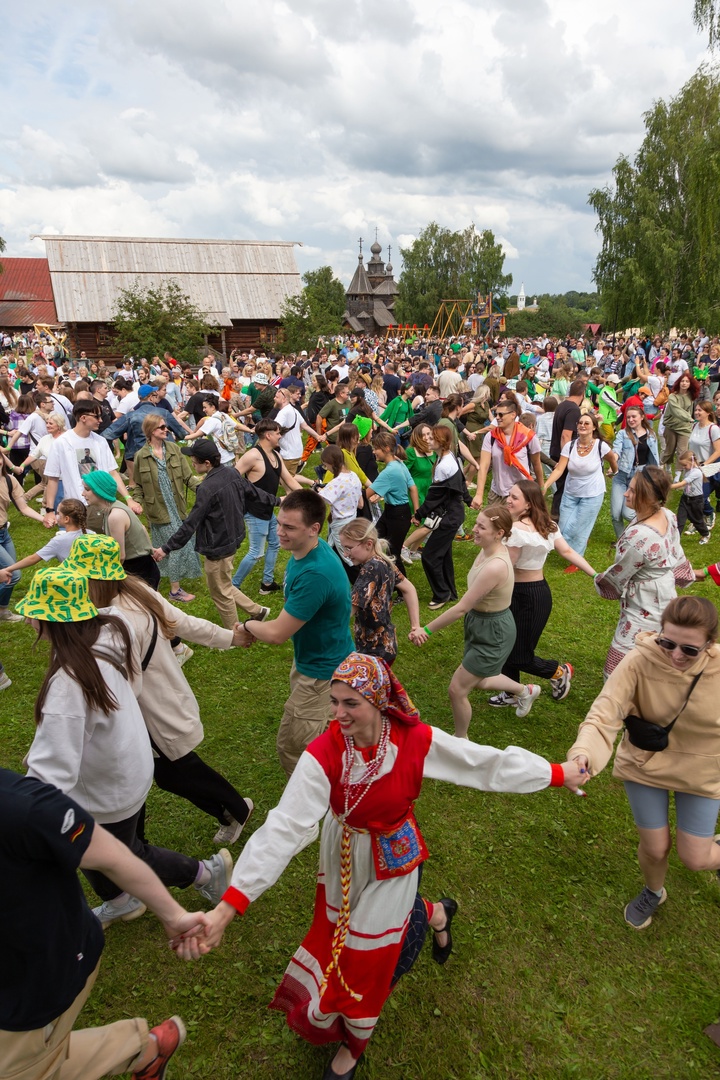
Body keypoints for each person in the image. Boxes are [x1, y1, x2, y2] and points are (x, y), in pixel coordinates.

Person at [173, 653, 585, 1078]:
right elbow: (284, 827)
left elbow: (481, 763)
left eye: (350, 703)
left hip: (397, 857)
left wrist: (557, 773)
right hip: (345, 853)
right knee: (341, 935)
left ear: (378, 700)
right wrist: (229, 907)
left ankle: (352, 1047)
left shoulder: (413, 740)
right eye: (334, 702)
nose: (338, 713)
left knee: (363, 957)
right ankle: (435, 913)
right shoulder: (325, 753)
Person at [18, 566, 233, 926]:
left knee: (122, 854)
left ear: (54, 621)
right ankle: (120, 901)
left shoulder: (67, 686)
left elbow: (49, 774)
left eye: (35, 612)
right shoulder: (110, 628)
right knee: (97, 849)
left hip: (108, 788)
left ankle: (206, 874)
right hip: (128, 765)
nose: (27, 619)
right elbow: (113, 612)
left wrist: (19, 815)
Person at [0, 767, 205, 1080]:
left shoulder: (19, 807)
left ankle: (144, 1049)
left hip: (38, 976)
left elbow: (109, 854)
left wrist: (174, 915)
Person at [66, 534, 255, 847]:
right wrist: (229, 638)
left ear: (94, 579)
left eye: (81, 576)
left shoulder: (117, 619)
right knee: (167, 770)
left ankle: (234, 809)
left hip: (149, 709)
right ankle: (229, 811)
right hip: (157, 702)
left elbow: (127, 684)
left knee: (170, 770)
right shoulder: (133, 589)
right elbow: (183, 622)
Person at [566, 595, 720, 929]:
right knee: (655, 848)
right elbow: (604, 713)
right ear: (659, 633)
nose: (676, 655)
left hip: (702, 771)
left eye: (689, 649)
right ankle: (653, 891)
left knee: (695, 858)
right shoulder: (638, 660)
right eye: (668, 643)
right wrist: (584, 756)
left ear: (710, 644)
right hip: (645, 764)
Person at [234, 489, 354, 778]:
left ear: (314, 529)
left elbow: (276, 634)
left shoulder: (316, 573)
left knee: (294, 746)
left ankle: (309, 806)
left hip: (321, 674)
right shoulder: (308, 550)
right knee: (324, 734)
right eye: (279, 523)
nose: (279, 532)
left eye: (289, 527)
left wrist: (248, 626)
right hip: (315, 659)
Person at [409, 507, 541, 736]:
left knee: (457, 689)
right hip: (480, 623)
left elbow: (460, 608)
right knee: (479, 679)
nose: (474, 530)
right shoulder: (484, 551)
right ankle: (525, 690)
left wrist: (426, 630)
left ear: (499, 533)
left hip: (494, 631)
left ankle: (461, 740)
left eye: (481, 526)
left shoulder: (496, 565)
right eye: (476, 523)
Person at [490, 481, 596, 707]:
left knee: (519, 655)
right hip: (518, 593)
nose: (508, 500)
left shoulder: (520, 530)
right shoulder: (545, 525)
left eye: (514, 497)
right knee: (507, 644)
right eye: (509, 495)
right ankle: (511, 692)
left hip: (532, 597)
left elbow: (508, 566)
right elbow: (566, 551)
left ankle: (558, 672)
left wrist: (595, 575)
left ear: (528, 504)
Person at [151, 439, 276, 629]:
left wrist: (166, 548)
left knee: (220, 593)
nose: (192, 464)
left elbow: (191, 523)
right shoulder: (232, 473)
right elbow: (255, 492)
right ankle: (257, 611)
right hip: (232, 541)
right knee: (223, 584)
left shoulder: (206, 488)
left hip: (218, 548)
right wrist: (278, 500)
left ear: (207, 463)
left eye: (194, 461)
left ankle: (233, 635)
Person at [595, 465, 695, 677]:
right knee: (658, 654)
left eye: (632, 490)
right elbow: (677, 552)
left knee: (620, 666)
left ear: (648, 497)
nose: (625, 493)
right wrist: (683, 574)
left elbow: (618, 576)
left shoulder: (640, 537)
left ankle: (622, 704)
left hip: (644, 605)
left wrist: (600, 580)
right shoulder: (667, 515)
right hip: (666, 595)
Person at [132, 412, 202, 602]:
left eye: (166, 426)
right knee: (176, 546)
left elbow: (188, 478)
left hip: (177, 507)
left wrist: (206, 491)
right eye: (161, 427)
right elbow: (137, 485)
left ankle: (154, 577)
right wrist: (136, 502)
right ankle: (174, 591)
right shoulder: (141, 456)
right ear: (150, 431)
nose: (166, 430)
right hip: (158, 511)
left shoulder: (173, 450)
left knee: (177, 545)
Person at [43, 400, 143, 527]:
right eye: (97, 416)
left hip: (103, 505)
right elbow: (52, 478)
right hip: (76, 507)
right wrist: (50, 510)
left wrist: (129, 499)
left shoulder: (100, 441)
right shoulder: (61, 443)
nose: (100, 420)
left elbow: (112, 473)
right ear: (83, 418)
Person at [232, 418, 305, 594]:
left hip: (269, 510)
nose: (280, 436)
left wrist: (307, 496)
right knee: (256, 552)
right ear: (268, 434)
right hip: (255, 512)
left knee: (274, 544)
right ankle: (232, 587)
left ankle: (267, 583)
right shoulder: (252, 456)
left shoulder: (276, 455)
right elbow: (232, 478)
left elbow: (288, 479)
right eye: (278, 433)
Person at [340, 518, 421, 663]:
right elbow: (409, 589)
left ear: (368, 544)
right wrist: (415, 626)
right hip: (386, 644)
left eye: (349, 548)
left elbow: (347, 611)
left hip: (372, 651)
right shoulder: (383, 562)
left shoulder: (370, 570)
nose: (346, 554)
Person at [543, 413, 617, 560]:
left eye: (587, 423)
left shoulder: (600, 446)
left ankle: (576, 559)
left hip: (592, 493)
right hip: (570, 492)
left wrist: (614, 470)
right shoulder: (570, 446)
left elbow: (612, 459)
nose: (582, 425)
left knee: (577, 529)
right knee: (563, 528)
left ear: (594, 427)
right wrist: (545, 485)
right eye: (580, 422)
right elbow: (559, 469)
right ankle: (579, 540)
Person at [413, 425, 468, 609]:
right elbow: (461, 481)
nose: (428, 439)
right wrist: (468, 499)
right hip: (454, 514)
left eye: (432, 437)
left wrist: (418, 515)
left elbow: (434, 498)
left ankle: (441, 594)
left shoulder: (444, 465)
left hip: (449, 518)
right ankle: (450, 593)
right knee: (443, 555)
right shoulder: (449, 457)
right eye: (428, 436)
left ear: (442, 442)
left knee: (429, 556)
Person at [82, 470, 160, 588]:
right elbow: (142, 528)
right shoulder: (113, 507)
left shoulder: (115, 516)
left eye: (87, 489)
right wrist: (149, 549)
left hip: (138, 571)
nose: (83, 494)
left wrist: (108, 579)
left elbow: (120, 556)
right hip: (143, 566)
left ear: (100, 491)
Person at [0, 498, 87, 588]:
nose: (56, 515)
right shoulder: (91, 533)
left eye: (58, 513)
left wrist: (8, 569)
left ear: (66, 519)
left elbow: (33, 559)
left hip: (74, 584)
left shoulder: (59, 541)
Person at [473, 399, 543, 510]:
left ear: (513, 415)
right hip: (496, 493)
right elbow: (484, 466)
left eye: (501, 414)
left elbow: (536, 463)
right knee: (493, 525)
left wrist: (541, 488)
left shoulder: (528, 436)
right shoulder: (491, 437)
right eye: (496, 414)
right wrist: (479, 494)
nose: (497, 417)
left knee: (514, 526)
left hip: (520, 494)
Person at [0, 451, 45, 622]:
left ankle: (2, 611)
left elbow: (24, 508)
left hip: (4, 533)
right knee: (13, 574)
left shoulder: (10, 481)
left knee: (7, 575)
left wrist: (44, 519)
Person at [365, 432, 419, 576]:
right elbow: (412, 488)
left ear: (387, 448)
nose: (374, 451)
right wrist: (417, 512)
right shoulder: (398, 463)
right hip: (397, 512)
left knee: (393, 554)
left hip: (397, 516)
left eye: (376, 448)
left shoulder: (388, 472)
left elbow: (366, 494)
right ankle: (378, 574)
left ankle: (402, 589)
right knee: (372, 539)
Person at [610, 405, 659, 538]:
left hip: (638, 477)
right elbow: (616, 450)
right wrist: (613, 464)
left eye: (634, 417)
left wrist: (655, 478)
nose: (631, 420)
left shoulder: (651, 436)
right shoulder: (622, 434)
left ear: (642, 417)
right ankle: (622, 540)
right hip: (621, 475)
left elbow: (654, 458)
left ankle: (641, 530)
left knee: (628, 513)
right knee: (615, 514)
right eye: (628, 417)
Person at [318, 445, 363, 564]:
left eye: (326, 465)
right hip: (352, 520)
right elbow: (361, 504)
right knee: (334, 553)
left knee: (348, 559)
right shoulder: (354, 476)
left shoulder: (337, 482)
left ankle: (361, 579)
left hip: (340, 524)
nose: (326, 469)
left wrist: (318, 490)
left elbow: (320, 499)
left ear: (331, 463)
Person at [548, 379, 584, 518]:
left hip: (555, 451)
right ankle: (557, 518)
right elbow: (566, 435)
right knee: (564, 490)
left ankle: (557, 517)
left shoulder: (562, 405)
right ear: (583, 394)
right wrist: (568, 458)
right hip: (563, 454)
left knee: (561, 487)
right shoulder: (574, 410)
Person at [402, 423, 437, 560]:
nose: (428, 437)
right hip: (415, 490)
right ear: (417, 437)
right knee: (427, 522)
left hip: (429, 489)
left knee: (428, 523)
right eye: (424, 435)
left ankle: (412, 550)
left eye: (429, 433)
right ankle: (403, 548)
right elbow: (403, 471)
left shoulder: (433, 450)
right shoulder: (411, 452)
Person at [660, 373, 698, 470]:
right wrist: (688, 418)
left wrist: (689, 421)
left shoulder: (691, 396)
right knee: (669, 451)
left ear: (690, 384)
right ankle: (666, 471)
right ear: (679, 383)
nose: (684, 383)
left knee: (682, 453)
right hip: (671, 426)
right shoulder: (672, 396)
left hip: (684, 428)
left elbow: (690, 410)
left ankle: (677, 478)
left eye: (687, 381)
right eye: (682, 381)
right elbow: (676, 410)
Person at [670, 451, 710, 541]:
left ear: (692, 462)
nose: (683, 467)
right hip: (685, 499)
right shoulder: (688, 470)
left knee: (697, 520)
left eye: (684, 465)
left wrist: (667, 487)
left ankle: (706, 534)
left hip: (696, 500)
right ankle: (675, 540)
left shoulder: (696, 472)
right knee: (680, 520)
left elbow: (683, 483)